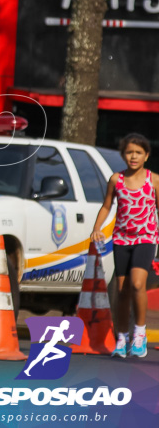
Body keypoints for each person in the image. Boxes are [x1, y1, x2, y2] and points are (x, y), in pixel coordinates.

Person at [90, 132, 159, 358]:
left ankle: (139, 332)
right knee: (122, 290)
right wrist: (97, 228)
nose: (133, 156)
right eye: (129, 152)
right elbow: (106, 206)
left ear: (146, 156)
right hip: (121, 239)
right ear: (123, 155)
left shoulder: (154, 180)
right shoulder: (115, 179)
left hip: (146, 239)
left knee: (138, 284)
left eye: (138, 152)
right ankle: (121, 336)